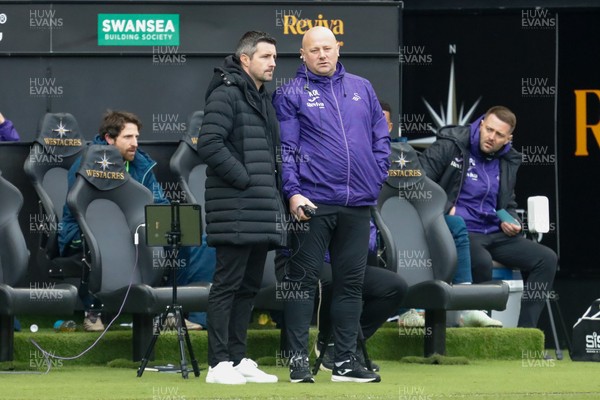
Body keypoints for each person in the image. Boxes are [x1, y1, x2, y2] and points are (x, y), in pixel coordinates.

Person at [272, 26, 390, 383]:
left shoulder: (362, 87)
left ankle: (343, 363)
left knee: (351, 285)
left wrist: (376, 176)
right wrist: (292, 192)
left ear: (338, 49)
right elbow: (287, 149)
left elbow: (380, 138)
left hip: (357, 202)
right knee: (303, 283)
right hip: (313, 202)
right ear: (303, 55)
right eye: (314, 50)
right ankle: (297, 362)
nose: (322, 55)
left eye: (328, 48)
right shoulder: (291, 92)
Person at [59, 111, 204, 332]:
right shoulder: (86, 163)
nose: (135, 143)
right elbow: (84, 209)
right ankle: (93, 311)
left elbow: (159, 202)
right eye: (128, 137)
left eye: (136, 137)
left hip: (137, 229)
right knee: (105, 239)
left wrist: (167, 225)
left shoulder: (142, 164)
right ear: (109, 138)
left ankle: (169, 312)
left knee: (180, 237)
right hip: (87, 229)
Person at [196, 31, 285, 385]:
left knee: (248, 288)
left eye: (275, 57)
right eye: (265, 57)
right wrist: (246, 179)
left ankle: (237, 357)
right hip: (235, 208)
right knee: (227, 286)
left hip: (260, 209)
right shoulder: (226, 93)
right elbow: (209, 144)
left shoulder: (262, 98)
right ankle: (217, 364)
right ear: (245, 59)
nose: (273, 63)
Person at [419, 105, 558, 328]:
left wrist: (511, 219)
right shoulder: (451, 144)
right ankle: (478, 325)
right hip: (462, 231)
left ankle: (524, 332)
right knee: (480, 261)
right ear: (481, 124)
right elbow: (419, 182)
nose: (491, 137)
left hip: (495, 232)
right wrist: (445, 206)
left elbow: (507, 202)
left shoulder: (507, 160)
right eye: (489, 130)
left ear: (508, 138)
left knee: (547, 258)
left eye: (499, 134)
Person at [275, 220, 407, 373]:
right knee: (330, 280)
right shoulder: (304, 195)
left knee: (394, 287)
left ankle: (346, 345)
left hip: (344, 264)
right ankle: (325, 343)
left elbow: (369, 243)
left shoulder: (354, 200)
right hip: (299, 261)